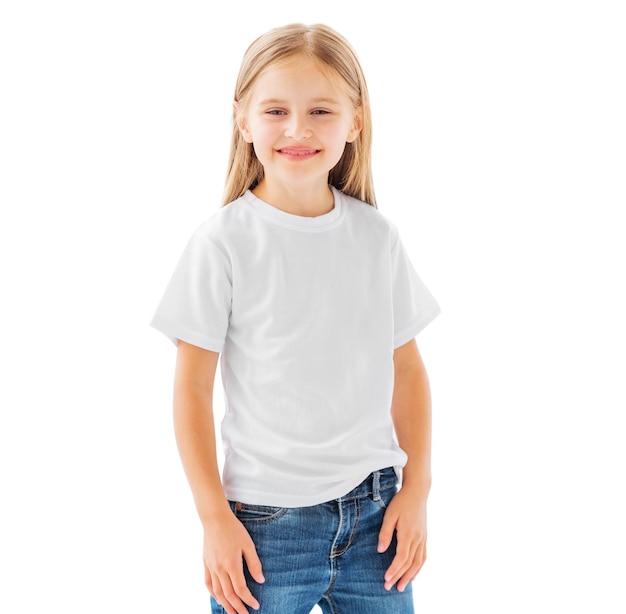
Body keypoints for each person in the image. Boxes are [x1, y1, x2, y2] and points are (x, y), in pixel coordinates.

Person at [151, 22, 441, 614]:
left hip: (376, 521)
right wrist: (213, 519)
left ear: (355, 122)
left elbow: (407, 372)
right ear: (243, 118)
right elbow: (190, 391)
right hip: (264, 529)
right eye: (276, 109)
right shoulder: (222, 244)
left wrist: (418, 491)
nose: (298, 129)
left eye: (321, 111)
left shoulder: (376, 237)